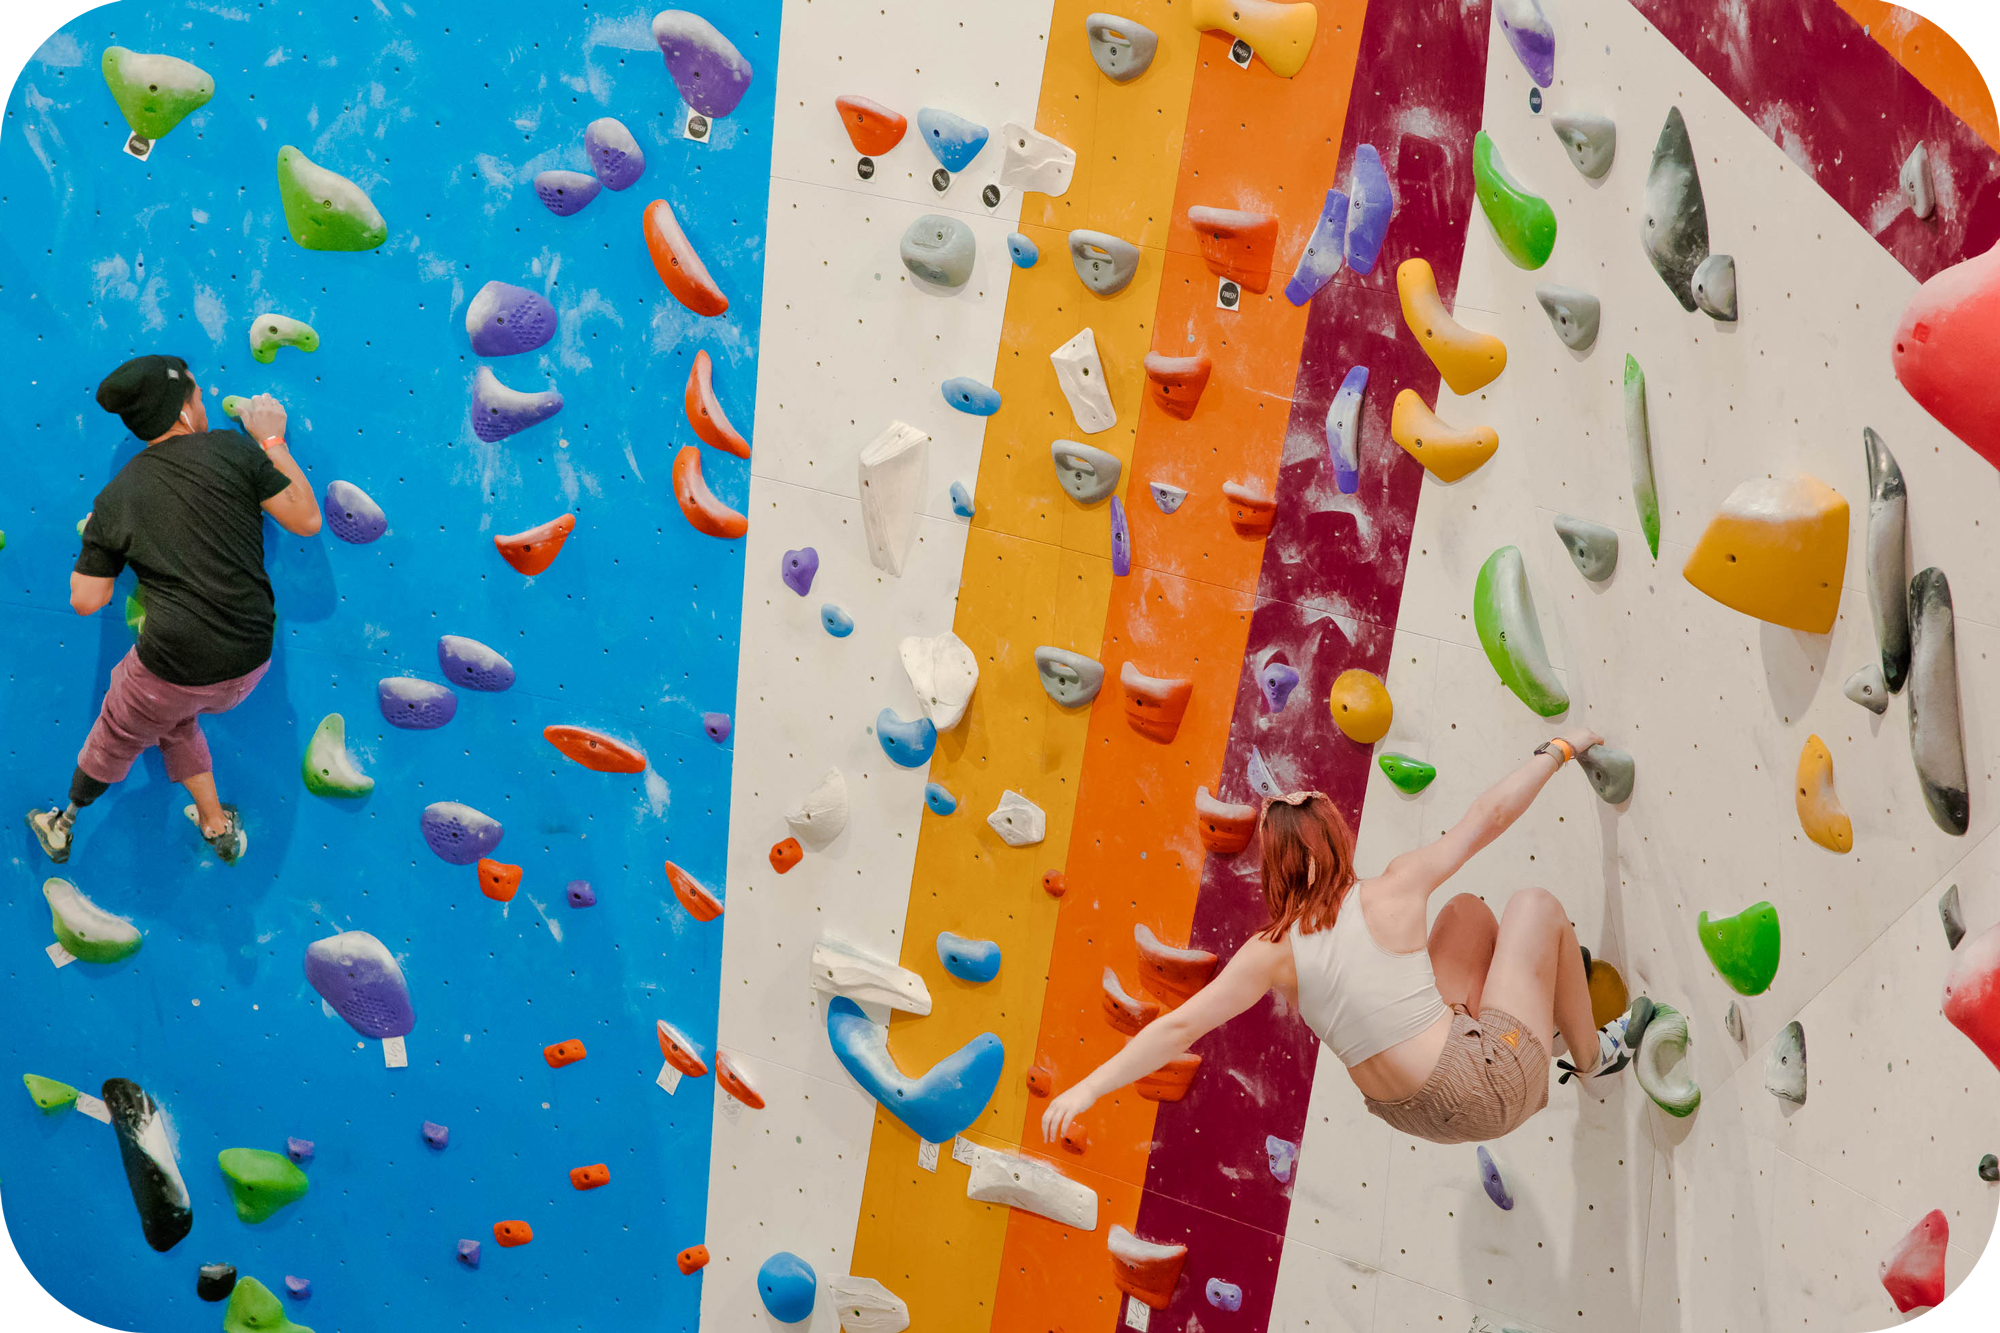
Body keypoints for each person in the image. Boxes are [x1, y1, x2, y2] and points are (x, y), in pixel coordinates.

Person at [1042, 730, 1646, 1147]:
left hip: (1411, 1115)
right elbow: (1487, 817)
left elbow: (1177, 1027)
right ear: (1337, 837)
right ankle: (1594, 1060)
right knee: (1535, 906)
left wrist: (1088, 1088)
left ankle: (1530, 1019)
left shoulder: (1269, 954)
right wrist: (1561, 748)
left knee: (1465, 914)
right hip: (1483, 1089)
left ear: (1274, 867)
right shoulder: (1394, 887)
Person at [26, 355, 322, 866]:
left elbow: (86, 601)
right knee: (171, 717)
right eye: (199, 396)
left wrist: (102, 536)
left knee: (120, 726)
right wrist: (272, 441)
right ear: (183, 410)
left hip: (178, 669)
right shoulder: (232, 449)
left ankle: (63, 820)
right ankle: (214, 821)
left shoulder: (117, 497)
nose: (204, 404)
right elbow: (306, 518)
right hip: (251, 660)